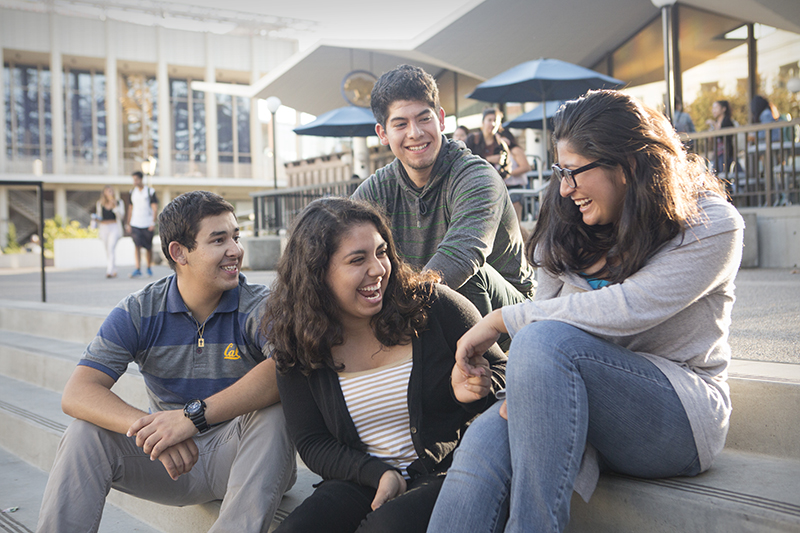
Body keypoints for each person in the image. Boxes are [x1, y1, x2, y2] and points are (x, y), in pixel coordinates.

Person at [427, 90, 744, 533]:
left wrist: (501, 320)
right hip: (578, 401)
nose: (565, 187)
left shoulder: (711, 225)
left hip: (678, 417)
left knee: (540, 337)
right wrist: (519, 386)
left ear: (628, 165)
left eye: (574, 172)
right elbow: (549, 323)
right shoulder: (572, 223)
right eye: (560, 171)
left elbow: (629, 308)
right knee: (484, 439)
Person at [36, 191, 296, 533]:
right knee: (84, 433)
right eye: (219, 240)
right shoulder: (141, 309)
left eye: (235, 236)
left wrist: (193, 418)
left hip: (242, 456)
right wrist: (156, 430)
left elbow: (286, 368)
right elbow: (78, 393)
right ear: (179, 252)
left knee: (276, 411)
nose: (235, 250)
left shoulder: (260, 304)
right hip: (172, 461)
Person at [265, 197, 506, 533]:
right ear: (317, 273)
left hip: (449, 472)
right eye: (357, 260)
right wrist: (378, 474)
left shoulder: (432, 305)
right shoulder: (297, 342)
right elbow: (312, 442)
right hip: (362, 478)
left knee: (385, 528)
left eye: (381, 252)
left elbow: (504, 372)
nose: (378, 269)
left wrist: (478, 386)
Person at [352, 64, 535, 318]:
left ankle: (485, 359)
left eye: (424, 118)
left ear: (440, 119)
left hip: (510, 313)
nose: (415, 133)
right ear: (383, 133)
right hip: (425, 309)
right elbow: (338, 243)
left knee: (466, 276)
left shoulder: (476, 176)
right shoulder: (379, 187)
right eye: (400, 124)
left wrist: (396, 315)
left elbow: (460, 258)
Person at [126, 170, 158, 278]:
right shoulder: (132, 192)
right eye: (133, 180)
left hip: (147, 223)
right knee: (137, 246)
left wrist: (153, 222)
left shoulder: (150, 191)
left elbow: (154, 208)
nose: (135, 181)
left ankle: (148, 267)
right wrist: (128, 223)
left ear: (141, 179)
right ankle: (138, 268)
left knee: (148, 247)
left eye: (136, 179)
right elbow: (130, 208)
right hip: (135, 223)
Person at [96, 185, 125, 278]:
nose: (110, 193)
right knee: (107, 249)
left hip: (114, 227)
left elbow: (121, 216)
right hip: (104, 227)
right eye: (108, 191)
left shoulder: (119, 202)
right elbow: (99, 216)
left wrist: (115, 206)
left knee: (111, 247)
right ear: (104, 193)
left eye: (111, 191)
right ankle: (114, 268)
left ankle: (109, 271)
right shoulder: (100, 203)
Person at [705, 99, 736, 174]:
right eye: (713, 108)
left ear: (723, 109)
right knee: (715, 175)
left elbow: (724, 136)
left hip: (725, 153)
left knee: (724, 175)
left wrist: (713, 125)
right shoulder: (716, 123)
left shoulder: (727, 121)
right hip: (717, 154)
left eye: (716, 108)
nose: (713, 110)